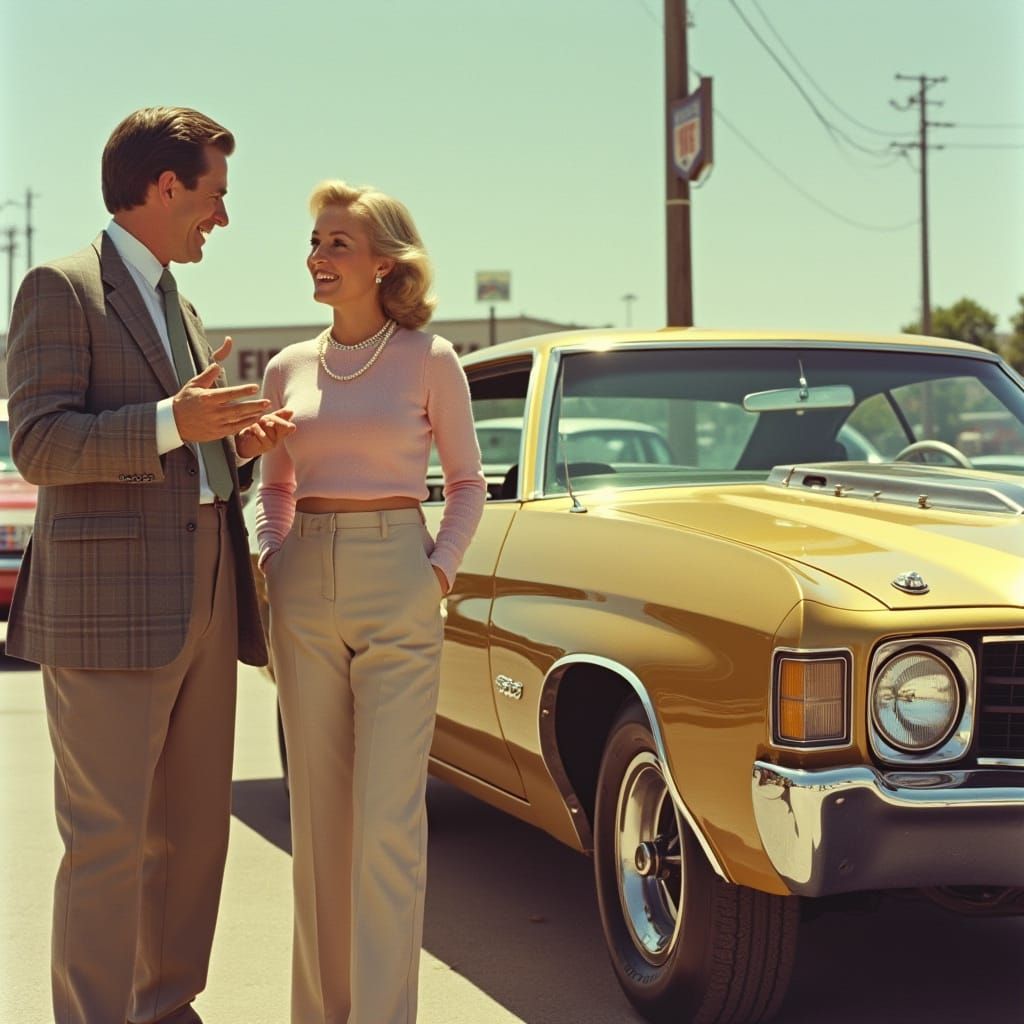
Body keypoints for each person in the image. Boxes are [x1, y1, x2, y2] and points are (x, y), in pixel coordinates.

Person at [5, 107, 294, 1024]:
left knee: (193, 835)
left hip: (208, 589)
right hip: (109, 610)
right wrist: (177, 423)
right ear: (165, 188)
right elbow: (41, 445)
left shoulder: (183, 302)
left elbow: (183, 443)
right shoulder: (61, 287)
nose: (222, 217)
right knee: (109, 842)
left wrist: (234, 444)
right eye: (214, 195)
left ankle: (165, 1006)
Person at [255, 180, 486, 1023]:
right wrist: (274, 557)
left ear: (385, 261)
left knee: (387, 824)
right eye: (314, 242)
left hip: (399, 578)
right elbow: (271, 487)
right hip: (303, 582)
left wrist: (435, 574)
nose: (318, 256)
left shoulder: (431, 359)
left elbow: (467, 484)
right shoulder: (288, 368)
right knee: (318, 825)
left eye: (337, 243)